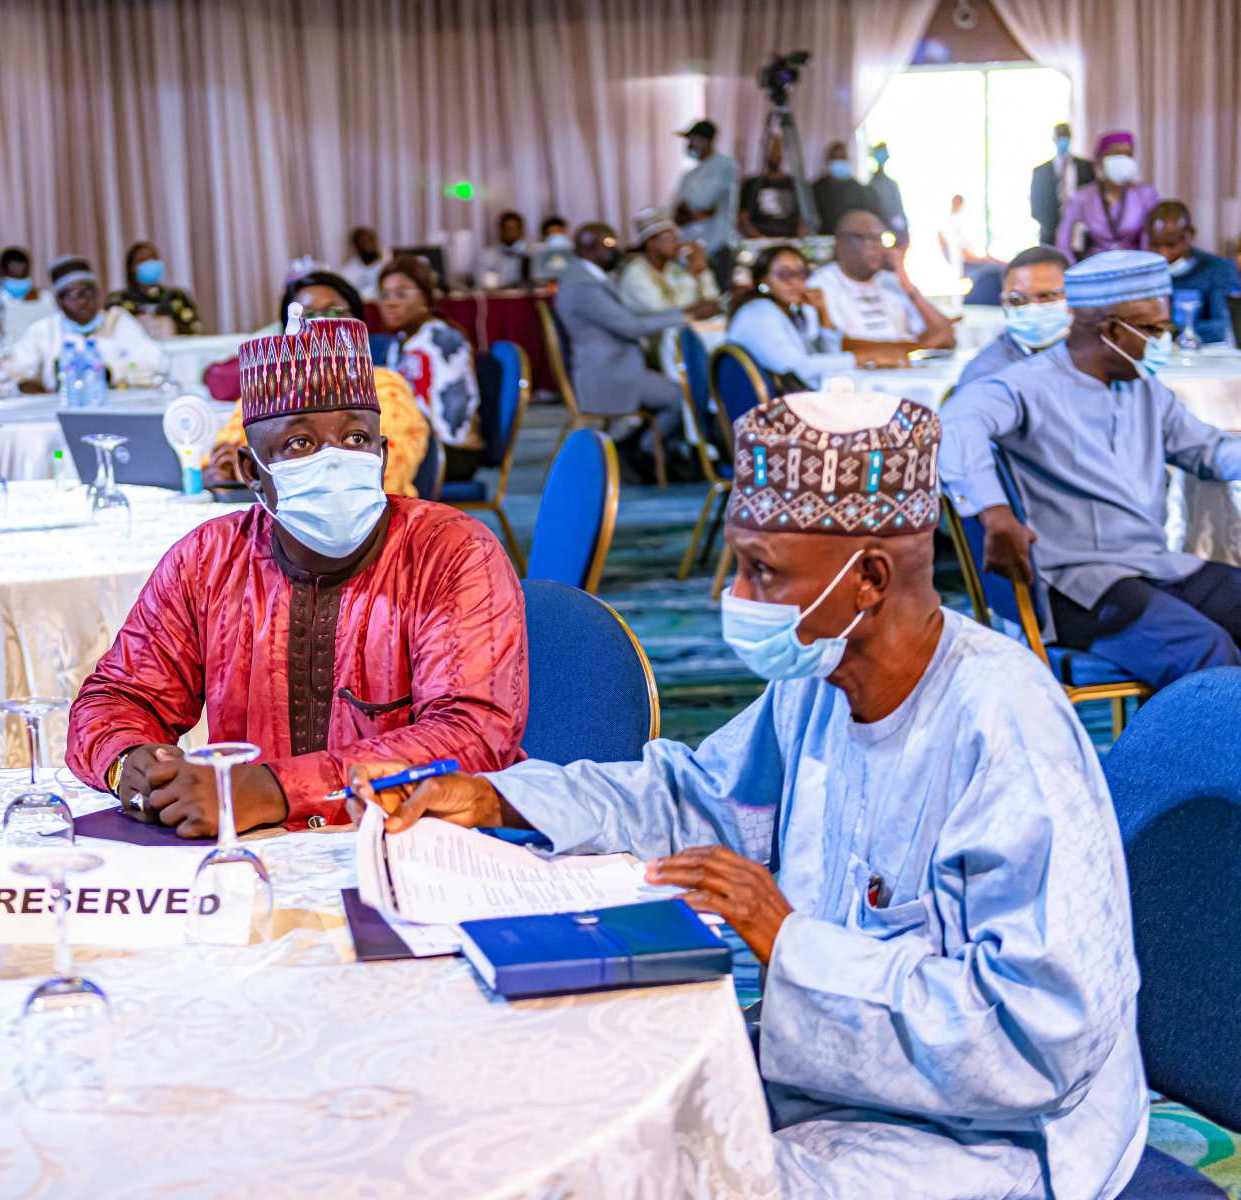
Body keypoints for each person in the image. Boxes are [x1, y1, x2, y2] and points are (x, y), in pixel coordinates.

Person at [351, 392, 1148, 1200]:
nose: (732, 595)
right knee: (560, 1110)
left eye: (760, 570)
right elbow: (696, 795)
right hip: (829, 1074)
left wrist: (786, 937)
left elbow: (1043, 1039)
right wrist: (502, 801)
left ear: (868, 579)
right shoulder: (821, 677)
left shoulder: (1005, 730)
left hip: (987, 1136)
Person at [65, 316, 526, 833]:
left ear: (381, 455)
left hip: (419, 849)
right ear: (251, 471)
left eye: (355, 437)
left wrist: (275, 789)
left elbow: (474, 735)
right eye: (300, 444)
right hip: (249, 852)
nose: (335, 460)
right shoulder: (209, 559)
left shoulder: (450, 551)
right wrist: (129, 759)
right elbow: (119, 697)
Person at [941, 250, 1241, 689]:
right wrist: (994, 512)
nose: (1164, 342)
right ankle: (1186, 736)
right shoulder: (1027, 384)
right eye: (1155, 330)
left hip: (1153, 564)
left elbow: (1208, 450)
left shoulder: (1142, 387)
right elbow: (955, 423)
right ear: (1112, 331)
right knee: (1207, 651)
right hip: (1077, 583)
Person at [203, 273, 430, 498]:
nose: (321, 325)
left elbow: (385, 475)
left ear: (360, 326)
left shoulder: (384, 386)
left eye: (335, 313)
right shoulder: (269, 390)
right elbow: (220, 458)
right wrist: (219, 471)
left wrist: (267, 477)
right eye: (306, 317)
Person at [552, 222, 684, 462]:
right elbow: (631, 327)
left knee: (675, 382)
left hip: (613, 364)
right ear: (588, 247)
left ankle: (636, 448)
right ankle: (642, 453)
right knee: (682, 397)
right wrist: (685, 315)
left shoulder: (586, 276)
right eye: (609, 244)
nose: (616, 249)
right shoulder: (583, 286)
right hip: (609, 372)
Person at [726, 245, 904, 391]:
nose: (795, 281)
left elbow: (828, 356)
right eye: (784, 274)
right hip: (762, 414)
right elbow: (798, 368)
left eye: (802, 274)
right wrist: (862, 358)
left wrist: (822, 311)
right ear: (763, 280)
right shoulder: (760, 314)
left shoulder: (787, 311)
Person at [378, 255, 484, 481]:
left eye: (401, 294)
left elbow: (449, 417)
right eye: (384, 295)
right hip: (420, 443)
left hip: (449, 450)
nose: (390, 303)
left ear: (425, 297)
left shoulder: (442, 340)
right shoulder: (401, 342)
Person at [6, 255, 166, 391]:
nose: (83, 301)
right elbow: (14, 371)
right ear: (59, 301)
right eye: (74, 295)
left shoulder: (118, 321)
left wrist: (113, 373)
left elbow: (153, 361)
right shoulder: (44, 331)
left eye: (88, 292)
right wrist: (30, 386)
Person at [805, 210, 955, 350]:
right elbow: (837, 346)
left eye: (881, 238)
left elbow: (945, 336)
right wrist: (918, 347)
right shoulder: (821, 285)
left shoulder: (890, 281)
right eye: (869, 238)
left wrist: (905, 279)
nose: (877, 246)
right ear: (841, 244)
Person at [955, 245, 1072, 387]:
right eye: (1017, 299)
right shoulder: (988, 376)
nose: (1033, 308)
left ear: (1074, 296)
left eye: (1046, 296)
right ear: (1003, 303)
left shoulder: (1092, 357)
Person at [1148, 200, 1241, 346]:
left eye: (1171, 245)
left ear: (1190, 235)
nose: (1163, 254)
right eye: (1155, 245)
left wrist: (1173, 333)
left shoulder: (1219, 269)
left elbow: (1224, 328)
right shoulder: (1145, 273)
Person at [1056, 131, 1160, 260]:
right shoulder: (1084, 197)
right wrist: (1073, 268)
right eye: (1116, 154)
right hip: (1097, 266)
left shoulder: (1146, 195)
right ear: (1100, 159)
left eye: (1128, 155)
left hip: (1135, 264)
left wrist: (1146, 266)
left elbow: (1151, 239)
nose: (1123, 160)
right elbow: (1063, 240)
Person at [618, 207, 721, 321]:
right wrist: (691, 273)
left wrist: (702, 269)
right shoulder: (635, 275)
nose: (677, 244)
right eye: (670, 239)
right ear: (650, 242)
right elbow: (669, 313)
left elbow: (711, 300)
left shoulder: (673, 268)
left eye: (677, 238)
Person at [671, 119, 739, 286]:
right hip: (691, 247)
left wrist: (693, 213)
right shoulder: (690, 174)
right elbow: (676, 207)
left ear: (705, 140)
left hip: (716, 243)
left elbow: (707, 203)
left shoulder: (724, 165)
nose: (689, 145)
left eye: (693, 140)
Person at [107, 239, 201, 337]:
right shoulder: (118, 301)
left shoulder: (176, 297)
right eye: (142, 260)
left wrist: (172, 327)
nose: (150, 263)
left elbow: (194, 330)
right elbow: (108, 334)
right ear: (131, 268)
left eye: (153, 258)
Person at [1031, 122, 1096, 247]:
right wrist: (1053, 226)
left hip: (1081, 232)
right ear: (1054, 139)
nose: (1063, 142)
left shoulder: (1086, 167)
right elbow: (1036, 205)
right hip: (1051, 234)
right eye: (1059, 137)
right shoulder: (1040, 171)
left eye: (1065, 137)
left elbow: (1093, 199)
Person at [737, 136, 806, 240]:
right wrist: (759, 238)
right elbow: (743, 218)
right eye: (772, 149)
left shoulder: (795, 185)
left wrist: (798, 238)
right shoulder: (752, 184)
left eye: (778, 150)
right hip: (759, 240)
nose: (774, 154)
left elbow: (804, 219)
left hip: (789, 239)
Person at [810, 142, 877, 235]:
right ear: (828, 160)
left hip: (853, 238)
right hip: (825, 238)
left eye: (842, 158)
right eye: (835, 158)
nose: (839, 161)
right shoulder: (817, 188)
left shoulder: (859, 189)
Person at [938, 194, 1001, 281]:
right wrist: (984, 259)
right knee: (998, 269)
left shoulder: (953, 222)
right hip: (968, 266)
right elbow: (967, 256)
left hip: (968, 263)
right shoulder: (952, 225)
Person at [477, 210, 529, 289]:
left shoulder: (529, 254)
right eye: (508, 229)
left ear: (521, 231)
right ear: (501, 230)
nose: (511, 233)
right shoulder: (488, 255)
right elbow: (484, 282)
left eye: (514, 229)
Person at [865, 142, 906, 239]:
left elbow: (898, 211)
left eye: (884, 152)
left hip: (893, 234)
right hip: (877, 232)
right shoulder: (871, 185)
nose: (882, 156)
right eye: (880, 152)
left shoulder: (891, 184)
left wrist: (901, 231)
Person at [340, 226, 385, 300]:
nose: (369, 246)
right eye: (363, 242)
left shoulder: (388, 264)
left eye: (371, 240)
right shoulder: (348, 271)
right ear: (356, 246)